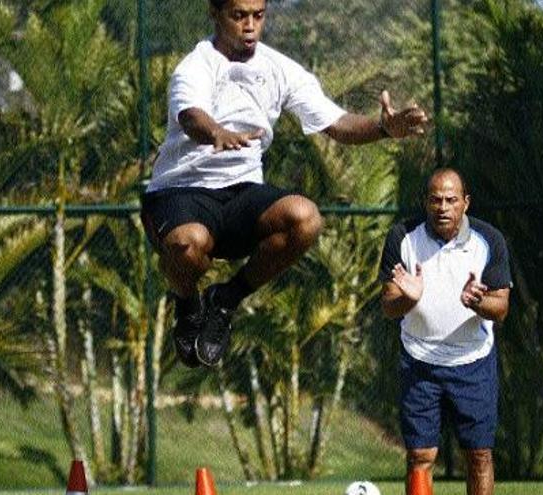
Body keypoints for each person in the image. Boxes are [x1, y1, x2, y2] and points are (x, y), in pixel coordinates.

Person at [141, 0, 429, 368]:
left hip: (240, 193)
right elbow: (191, 116)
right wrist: (216, 132)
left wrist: (383, 129)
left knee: (305, 217)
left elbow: (337, 123)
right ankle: (188, 303)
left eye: (257, 16)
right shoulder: (196, 65)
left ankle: (225, 300)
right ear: (215, 14)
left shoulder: (278, 68)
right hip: (180, 192)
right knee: (187, 245)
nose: (249, 26)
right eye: (238, 15)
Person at [378, 168, 511, 495]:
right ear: (425, 202)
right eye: (435, 200)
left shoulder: (489, 240)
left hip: (473, 361)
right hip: (419, 361)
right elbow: (388, 306)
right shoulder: (403, 238)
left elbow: (502, 308)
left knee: (478, 454)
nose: (443, 207)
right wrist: (408, 299)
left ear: (465, 203)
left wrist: (477, 303)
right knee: (419, 455)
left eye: (451, 200)